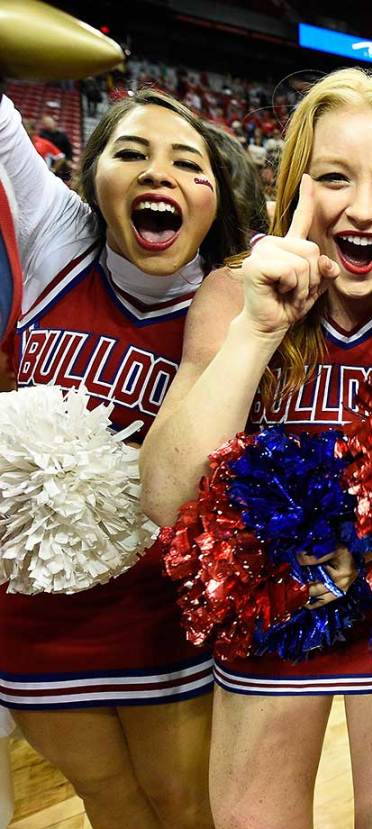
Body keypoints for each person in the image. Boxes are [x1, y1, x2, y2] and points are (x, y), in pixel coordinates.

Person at [140, 68, 372, 829]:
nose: (363, 208)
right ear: (297, 186)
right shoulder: (236, 292)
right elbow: (165, 493)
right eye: (336, 178)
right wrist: (257, 331)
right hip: (271, 615)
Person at [0, 86, 246, 829]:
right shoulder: (56, 241)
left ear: (216, 193)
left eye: (185, 161)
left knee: (184, 806)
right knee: (105, 801)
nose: (155, 173)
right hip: (33, 610)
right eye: (130, 152)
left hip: (161, 611)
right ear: (93, 176)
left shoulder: (233, 298)